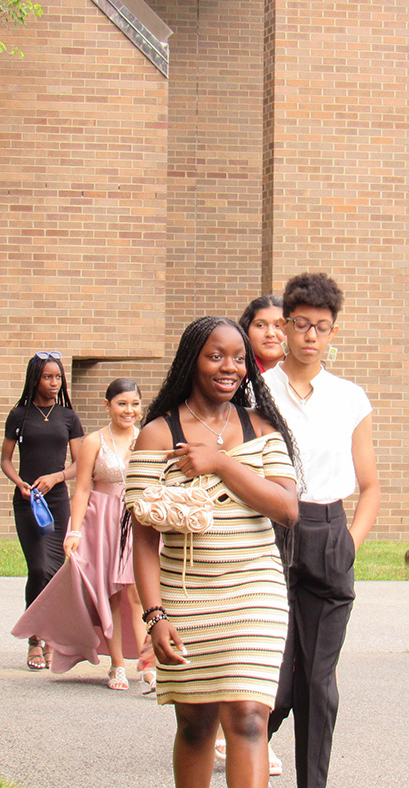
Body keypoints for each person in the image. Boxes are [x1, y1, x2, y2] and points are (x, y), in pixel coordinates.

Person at [125, 316, 299, 788]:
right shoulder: (157, 435)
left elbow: (287, 508)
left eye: (239, 358)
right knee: (196, 724)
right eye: (216, 355)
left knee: (247, 718)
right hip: (187, 596)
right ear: (191, 360)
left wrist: (219, 462)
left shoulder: (261, 428)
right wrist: (155, 617)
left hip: (254, 591)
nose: (230, 367)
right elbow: (143, 537)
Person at [264, 273, 380, 788]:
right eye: (302, 324)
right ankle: (241, 757)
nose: (311, 335)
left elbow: (371, 486)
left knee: (317, 681)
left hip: (330, 531)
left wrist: (348, 544)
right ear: (286, 326)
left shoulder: (350, 397)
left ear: (334, 333)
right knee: (277, 685)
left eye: (323, 327)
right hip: (269, 533)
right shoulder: (258, 390)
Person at [12, 379, 154, 691]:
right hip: (102, 519)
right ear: (108, 406)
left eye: (133, 404)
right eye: (121, 404)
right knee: (114, 595)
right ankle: (117, 665)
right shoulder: (94, 441)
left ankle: (147, 663)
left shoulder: (148, 438)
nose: (128, 410)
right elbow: (83, 490)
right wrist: (74, 530)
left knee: (137, 593)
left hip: (138, 520)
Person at [215, 294, 287, 774]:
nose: (273, 333)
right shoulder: (240, 385)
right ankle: (241, 732)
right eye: (261, 324)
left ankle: (257, 728)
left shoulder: (302, 383)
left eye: (281, 324)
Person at [1, 351, 84, 670]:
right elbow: (6, 459)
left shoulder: (68, 417)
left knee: (53, 571)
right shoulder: (19, 415)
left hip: (58, 501)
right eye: (48, 377)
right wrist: (20, 482)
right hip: (27, 502)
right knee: (38, 568)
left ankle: (46, 636)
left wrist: (57, 476)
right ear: (35, 378)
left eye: (58, 377)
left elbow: (79, 464)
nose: (54, 383)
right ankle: (35, 638)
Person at [239, 294, 285, 373]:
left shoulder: (309, 372)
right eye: (260, 325)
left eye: (278, 326)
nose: (270, 333)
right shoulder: (235, 371)